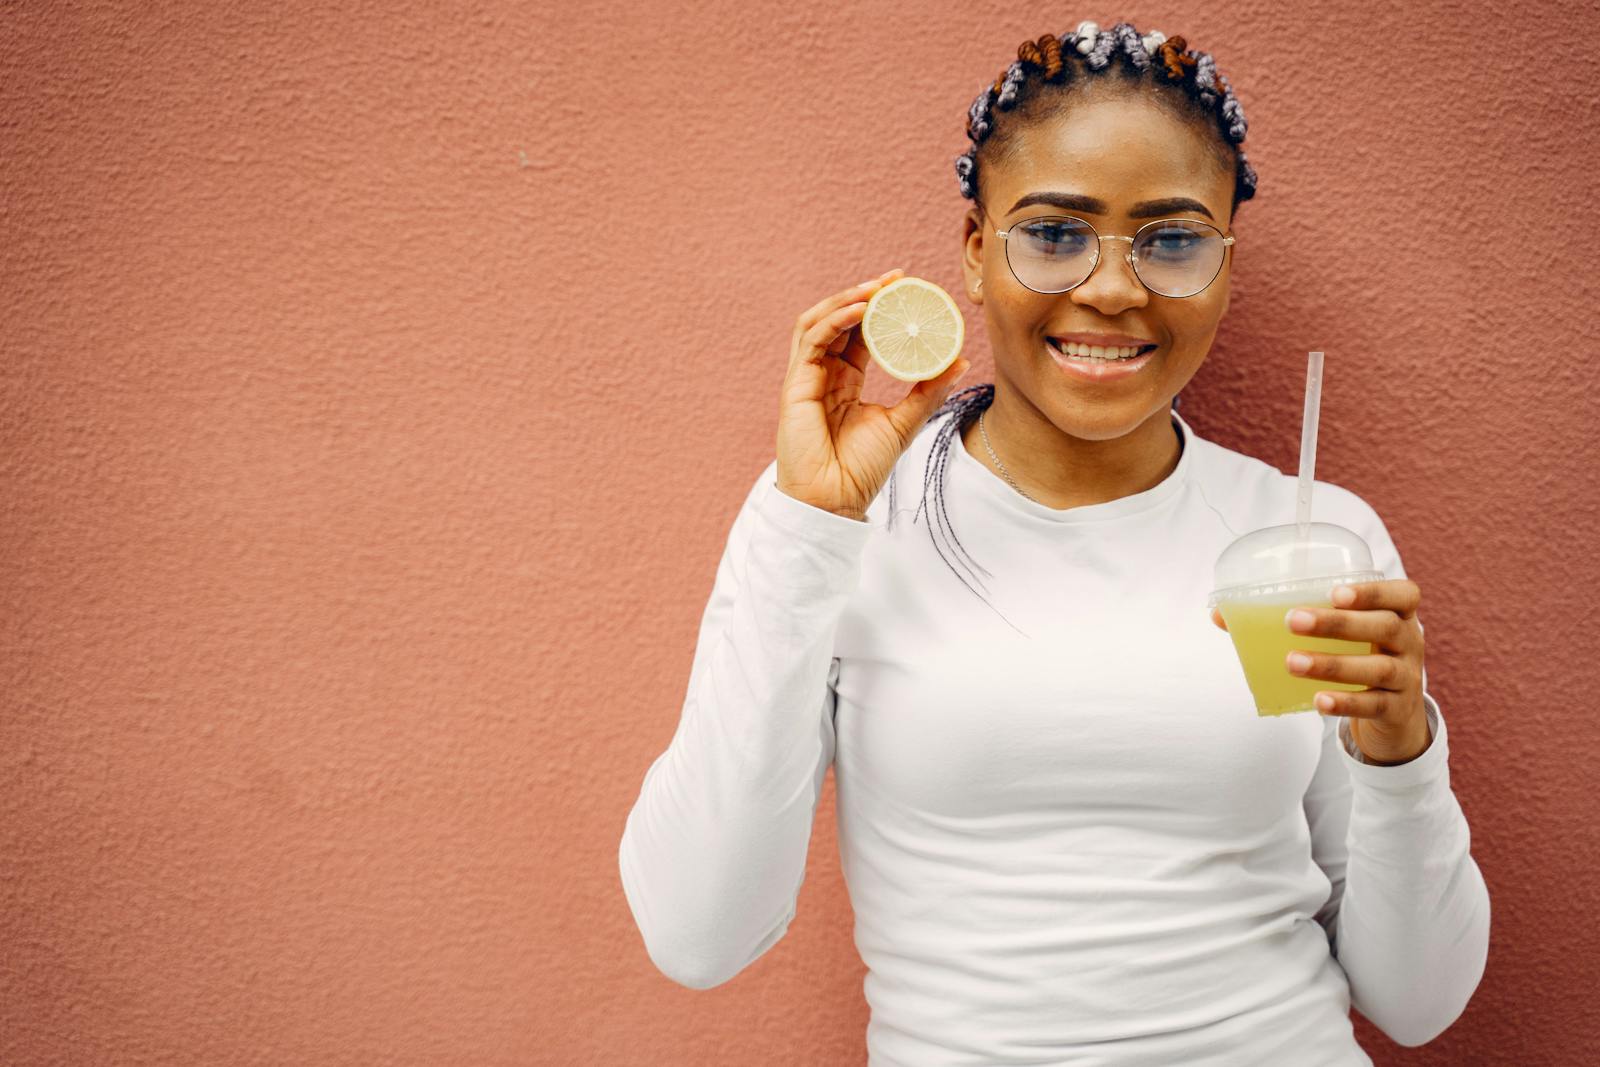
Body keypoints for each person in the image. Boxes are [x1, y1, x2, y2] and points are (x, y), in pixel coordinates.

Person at [618, 21, 1490, 1065]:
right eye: (1054, 233)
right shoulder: (851, 527)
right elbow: (697, 933)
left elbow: (1417, 1000)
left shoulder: (1307, 532)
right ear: (977, 252)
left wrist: (1398, 754)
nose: (1113, 287)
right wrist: (806, 525)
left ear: (1221, 265)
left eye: (1170, 240)